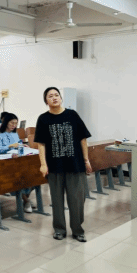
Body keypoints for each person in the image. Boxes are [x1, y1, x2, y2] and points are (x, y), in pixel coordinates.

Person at [35, 87, 92, 243]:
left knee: (77, 200)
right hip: (54, 166)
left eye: (56, 95)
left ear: (61, 98)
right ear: (46, 101)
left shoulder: (72, 115)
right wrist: (43, 164)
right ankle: (59, 229)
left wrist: (86, 160)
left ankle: (78, 230)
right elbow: (41, 144)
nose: (54, 98)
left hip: (75, 164)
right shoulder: (43, 119)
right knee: (57, 200)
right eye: (50, 96)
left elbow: (83, 139)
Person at [0, 113, 33, 212]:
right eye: (12, 123)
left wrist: (23, 145)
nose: (14, 125)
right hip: (6, 162)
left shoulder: (15, 134)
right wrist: (10, 146)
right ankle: (26, 200)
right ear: (6, 122)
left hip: (17, 160)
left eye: (16, 123)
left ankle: (25, 199)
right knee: (18, 177)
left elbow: (18, 144)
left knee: (32, 175)